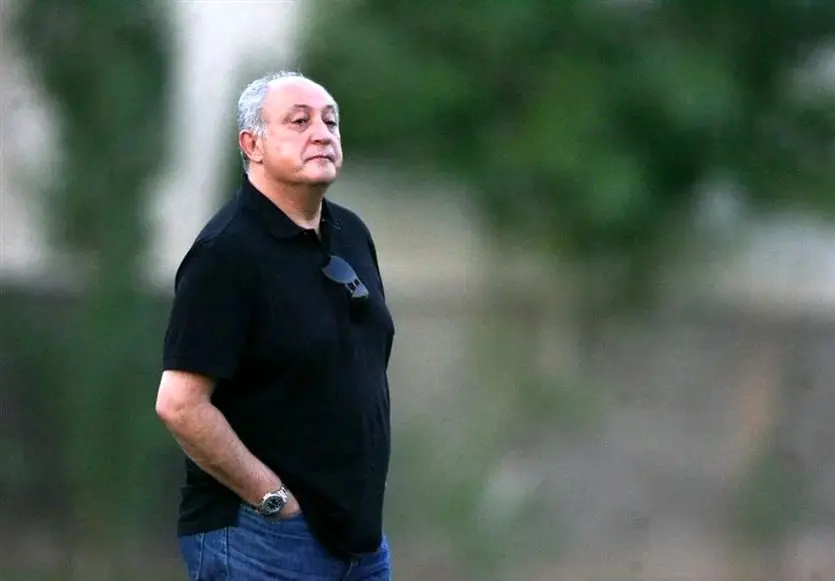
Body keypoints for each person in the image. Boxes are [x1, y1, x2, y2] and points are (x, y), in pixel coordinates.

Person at [155, 71, 396, 581]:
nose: (322, 134)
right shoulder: (226, 253)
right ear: (252, 145)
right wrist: (273, 500)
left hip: (359, 541)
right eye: (300, 122)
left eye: (331, 122)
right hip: (262, 538)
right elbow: (180, 404)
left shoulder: (351, 233)